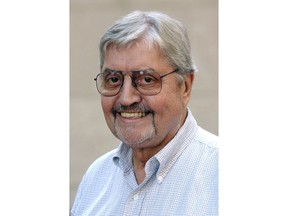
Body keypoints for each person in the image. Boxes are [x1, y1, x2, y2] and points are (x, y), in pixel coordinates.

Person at [71, 10, 218, 216]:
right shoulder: (96, 177)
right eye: (113, 79)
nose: (126, 98)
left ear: (185, 86)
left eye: (147, 79)